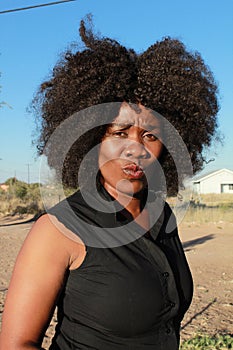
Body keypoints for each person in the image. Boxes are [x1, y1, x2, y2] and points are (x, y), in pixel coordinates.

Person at [0, 17, 219, 350]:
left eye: (150, 135)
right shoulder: (58, 230)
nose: (136, 148)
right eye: (119, 133)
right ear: (91, 141)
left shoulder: (162, 217)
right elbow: (17, 344)